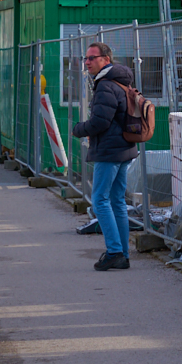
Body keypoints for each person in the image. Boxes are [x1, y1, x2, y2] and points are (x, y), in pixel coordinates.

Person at [72, 41, 137, 271]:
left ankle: (115, 252)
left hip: (109, 151)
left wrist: (79, 129)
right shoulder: (121, 81)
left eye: (92, 58)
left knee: (100, 201)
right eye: (86, 58)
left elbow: (100, 121)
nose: (87, 62)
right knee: (117, 201)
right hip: (124, 148)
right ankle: (123, 254)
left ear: (105, 60)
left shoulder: (106, 85)